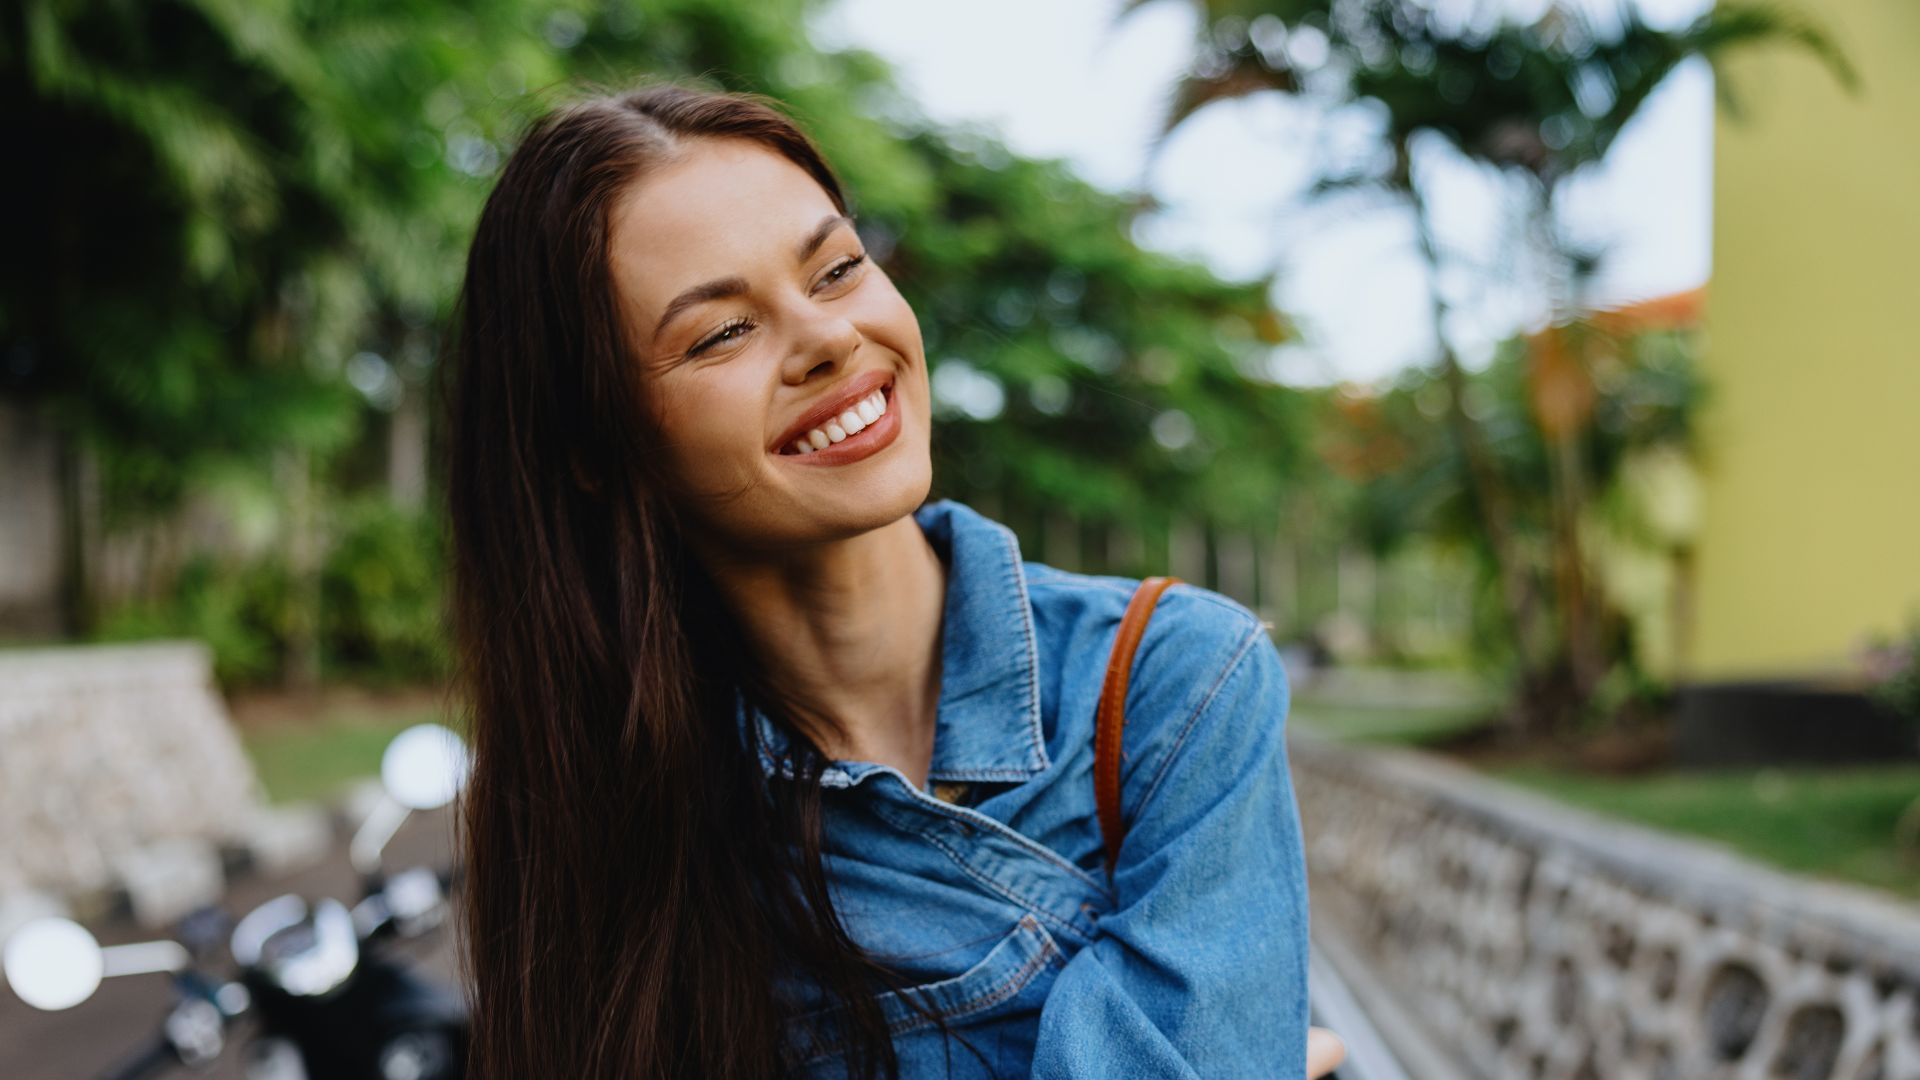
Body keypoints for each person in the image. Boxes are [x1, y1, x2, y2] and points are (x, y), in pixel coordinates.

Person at [444, 80, 1343, 1079]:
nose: (829, 339)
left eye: (835, 270)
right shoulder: (601, 805)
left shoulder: (1174, 686)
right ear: (594, 444)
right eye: (720, 333)